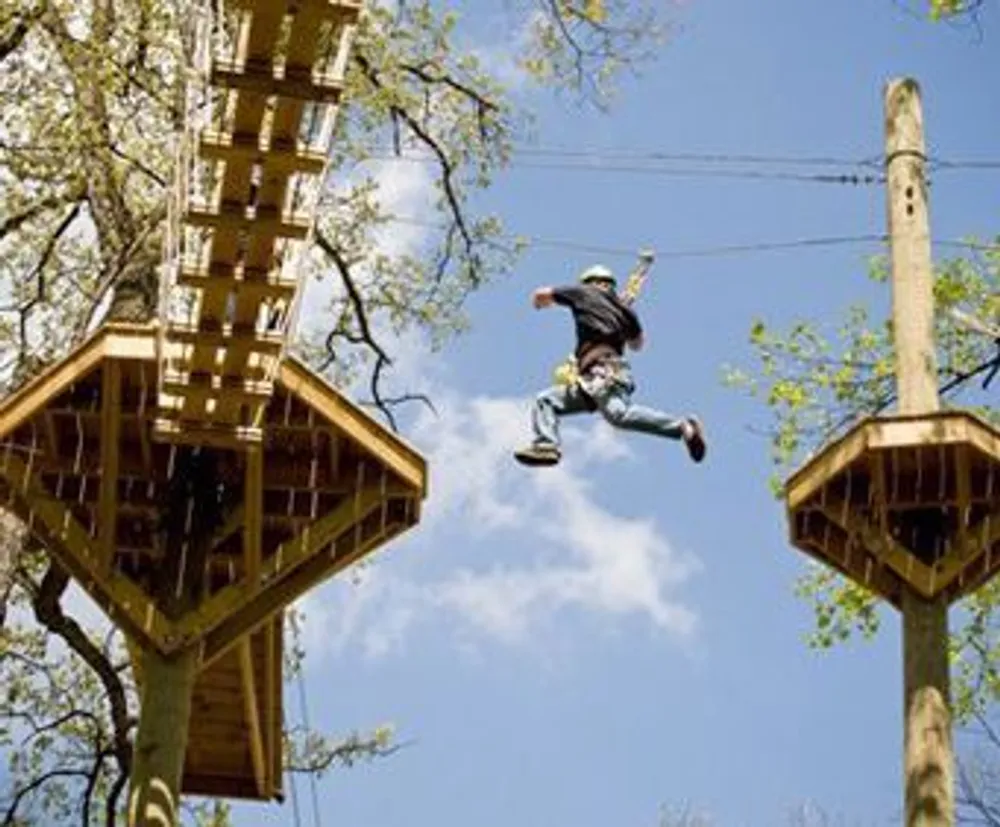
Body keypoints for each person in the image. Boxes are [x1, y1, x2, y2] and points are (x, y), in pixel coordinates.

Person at [513, 264, 706, 466]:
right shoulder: (624, 310)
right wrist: (620, 316)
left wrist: (538, 303)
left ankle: (682, 427)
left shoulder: (584, 292)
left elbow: (541, 294)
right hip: (597, 377)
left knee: (617, 415)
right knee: (548, 401)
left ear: (590, 282)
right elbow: (637, 344)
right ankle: (546, 446)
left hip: (603, 372)